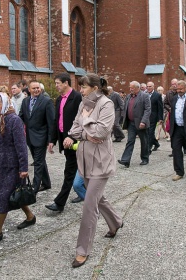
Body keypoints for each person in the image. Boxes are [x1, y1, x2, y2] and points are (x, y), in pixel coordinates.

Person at [66, 74, 123, 268]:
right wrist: (86, 130)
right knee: (98, 198)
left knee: (89, 205)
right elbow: (74, 130)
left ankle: (82, 251)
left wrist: (85, 122)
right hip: (84, 160)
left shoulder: (106, 104)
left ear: (95, 87)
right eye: (80, 86)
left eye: (83, 86)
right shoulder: (84, 104)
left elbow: (101, 132)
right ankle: (116, 222)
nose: (81, 89)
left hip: (100, 162)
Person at [0, 92, 36, 243]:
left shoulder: (14, 120)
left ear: (5, 103)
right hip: (3, 166)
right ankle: (30, 216)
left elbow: (21, 146)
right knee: (13, 194)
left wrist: (23, 167)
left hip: (14, 166)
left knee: (4, 196)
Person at [46, 73, 82, 213]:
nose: (56, 86)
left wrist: (73, 137)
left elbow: (81, 121)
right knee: (79, 169)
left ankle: (59, 203)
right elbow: (56, 121)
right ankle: (83, 191)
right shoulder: (59, 99)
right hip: (64, 140)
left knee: (69, 171)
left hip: (74, 141)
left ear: (66, 83)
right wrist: (52, 140)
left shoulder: (77, 97)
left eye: (58, 83)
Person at [19, 80, 55, 192]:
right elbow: (21, 117)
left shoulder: (46, 101)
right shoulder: (25, 101)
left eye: (38, 88)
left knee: (38, 163)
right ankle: (46, 183)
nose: (36, 90)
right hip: (29, 137)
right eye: (33, 88)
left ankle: (34, 187)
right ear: (29, 90)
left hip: (41, 137)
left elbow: (51, 121)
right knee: (39, 160)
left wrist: (50, 140)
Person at [118, 81, 151, 167]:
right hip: (131, 123)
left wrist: (143, 121)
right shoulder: (128, 96)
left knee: (144, 142)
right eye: (130, 87)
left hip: (141, 123)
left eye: (132, 88)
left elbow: (147, 110)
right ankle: (125, 160)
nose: (130, 89)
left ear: (137, 88)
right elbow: (125, 108)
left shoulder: (144, 96)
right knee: (130, 141)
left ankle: (144, 158)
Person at [164, 78, 186, 154]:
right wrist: (170, 109)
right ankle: (174, 150)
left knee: (183, 134)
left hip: (182, 116)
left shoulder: (182, 93)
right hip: (172, 115)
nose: (174, 86)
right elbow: (165, 103)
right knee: (173, 134)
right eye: (173, 84)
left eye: (175, 84)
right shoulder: (169, 93)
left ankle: (185, 147)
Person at [146, 82, 164, 153]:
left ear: (153, 87)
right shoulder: (144, 94)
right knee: (148, 132)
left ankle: (148, 148)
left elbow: (160, 107)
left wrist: (160, 118)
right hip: (146, 117)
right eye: (147, 86)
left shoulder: (157, 95)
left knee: (150, 132)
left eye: (150, 86)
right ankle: (156, 144)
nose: (148, 88)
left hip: (153, 117)